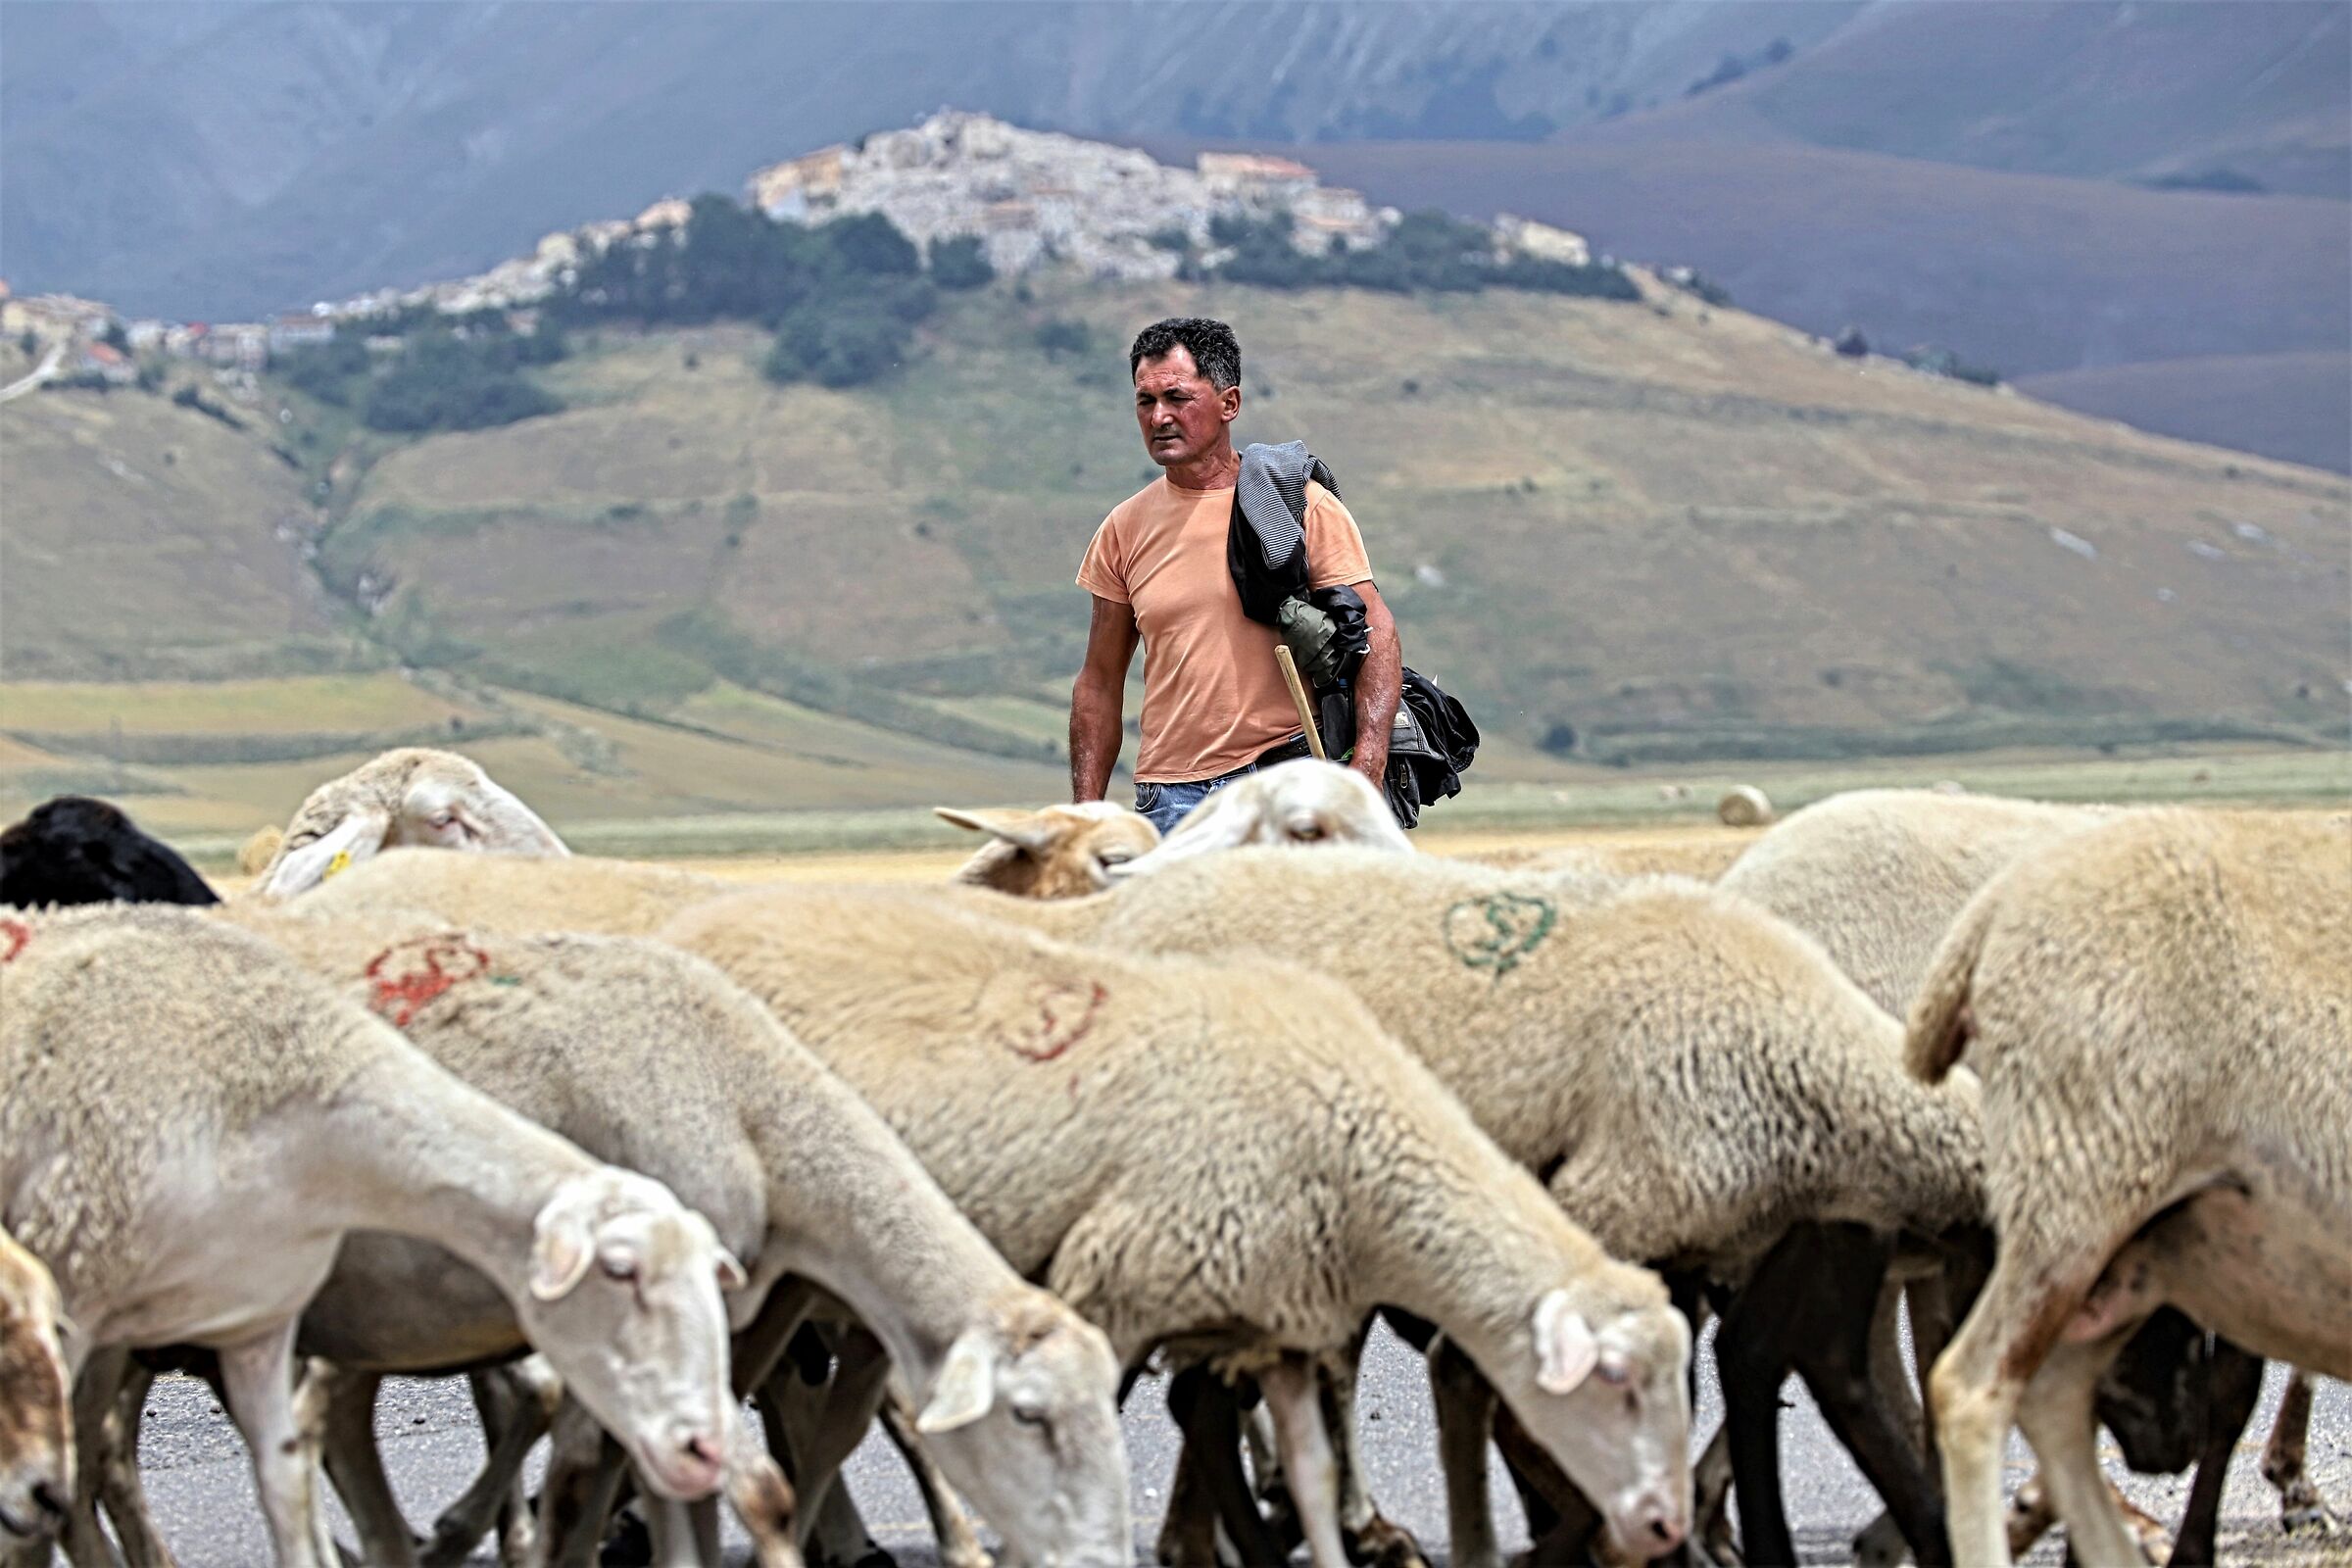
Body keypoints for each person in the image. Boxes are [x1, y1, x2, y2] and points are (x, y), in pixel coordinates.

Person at [1069, 317, 1401, 834]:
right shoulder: (1123, 528)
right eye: (1145, 401)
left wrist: (1369, 766)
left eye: (1177, 398)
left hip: (1286, 777)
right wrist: (1084, 814)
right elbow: (1099, 682)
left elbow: (1377, 631)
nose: (1159, 417)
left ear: (1230, 404)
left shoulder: (1299, 505)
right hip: (1171, 798)